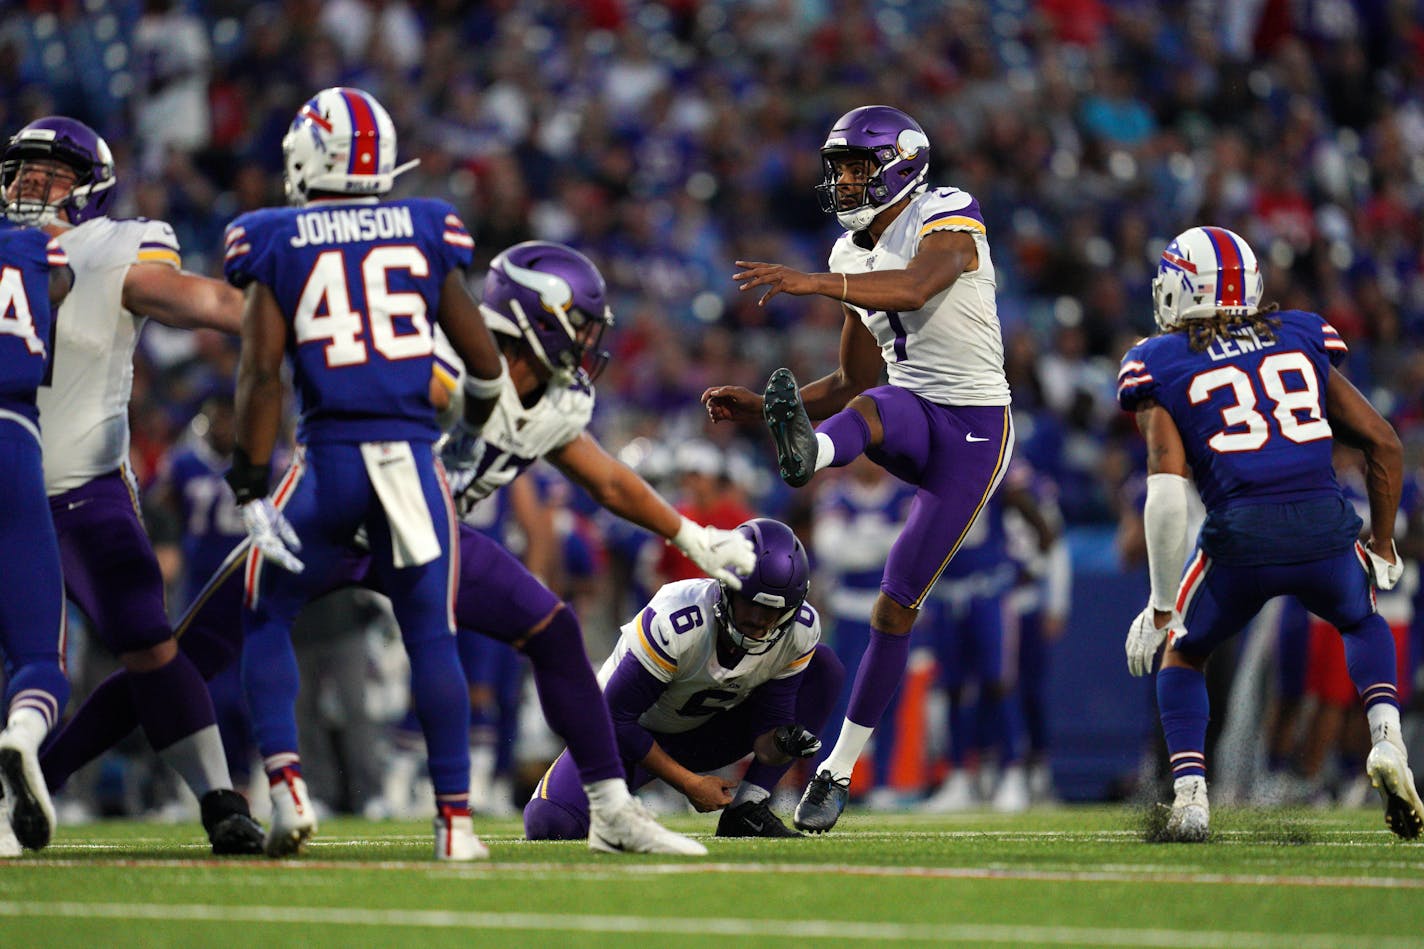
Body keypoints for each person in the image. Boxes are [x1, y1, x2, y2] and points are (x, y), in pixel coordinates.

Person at [37, 239, 739, 857]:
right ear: (535, 319)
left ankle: (611, 806)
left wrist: (688, 533)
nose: (589, 344)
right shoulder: (432, 350)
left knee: (553, 629)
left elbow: (608, 479)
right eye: (581, 326)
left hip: (423, 532)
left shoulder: (551, 397)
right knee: (179, 658)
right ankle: (43, 774)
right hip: (335, 515)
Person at [702, 104, 1014, 832]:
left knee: (894, 605)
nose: (843, 181)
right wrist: (762, 409)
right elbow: (850, 382)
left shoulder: (948, 212)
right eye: (837, 168)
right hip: (907, 412)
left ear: (902, 163)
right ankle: (811, 453)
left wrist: (811, 284)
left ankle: (837, 770)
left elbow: (913, 288)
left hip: (973, 430)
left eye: (856, 167)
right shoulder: (850, 251)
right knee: (875, 404)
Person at [223, 86, 508, 860]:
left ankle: (285, 789)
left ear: (308, 156)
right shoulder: (423, 224)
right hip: (412, 461)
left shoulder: (273, 234)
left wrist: (249, 480)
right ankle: (455, 825)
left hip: (330, 460)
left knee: (266, 611)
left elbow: (261, 376)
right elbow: (484, 370)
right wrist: (464, 446)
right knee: (430, 634)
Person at [3, 115, 263, 855]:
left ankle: (219, 799)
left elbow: (185, 296)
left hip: (81, 482)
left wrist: (278, 321)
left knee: (148, 641)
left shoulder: (119, 243)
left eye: (51, 173)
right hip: (12, 481)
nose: (31, 184)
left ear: (91, 187)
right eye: (23, 171)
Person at [1117, 224, 1423, 841]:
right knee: (1363, 621)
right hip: (1323, 526)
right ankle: (1388, 737)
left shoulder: (1158, 358)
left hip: (1242, 533)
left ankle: (1191, 797)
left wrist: (1158, 604)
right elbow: (1383, 442)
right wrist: (1383, 543)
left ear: (1179, 291)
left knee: (1186, 647)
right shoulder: (1301, 334)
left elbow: (1168, 487)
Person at [525, 518, 845, 840]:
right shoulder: (676, 622)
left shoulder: (799, 630)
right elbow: (615, 719)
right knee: (550, 823)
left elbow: (766, 738)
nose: (759, 619)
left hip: (710, 732)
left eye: (772, 611)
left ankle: (748, 809)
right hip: (629, 736)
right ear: (725, 587)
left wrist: (782, 743)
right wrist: (689, 783)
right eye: (750, 602)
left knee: (824, 668)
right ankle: (620, 805)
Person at [0, 205, 72, 856]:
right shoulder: (30, 243)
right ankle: (22, 732)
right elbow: (65, 279)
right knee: (39, 656)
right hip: (12, 439)